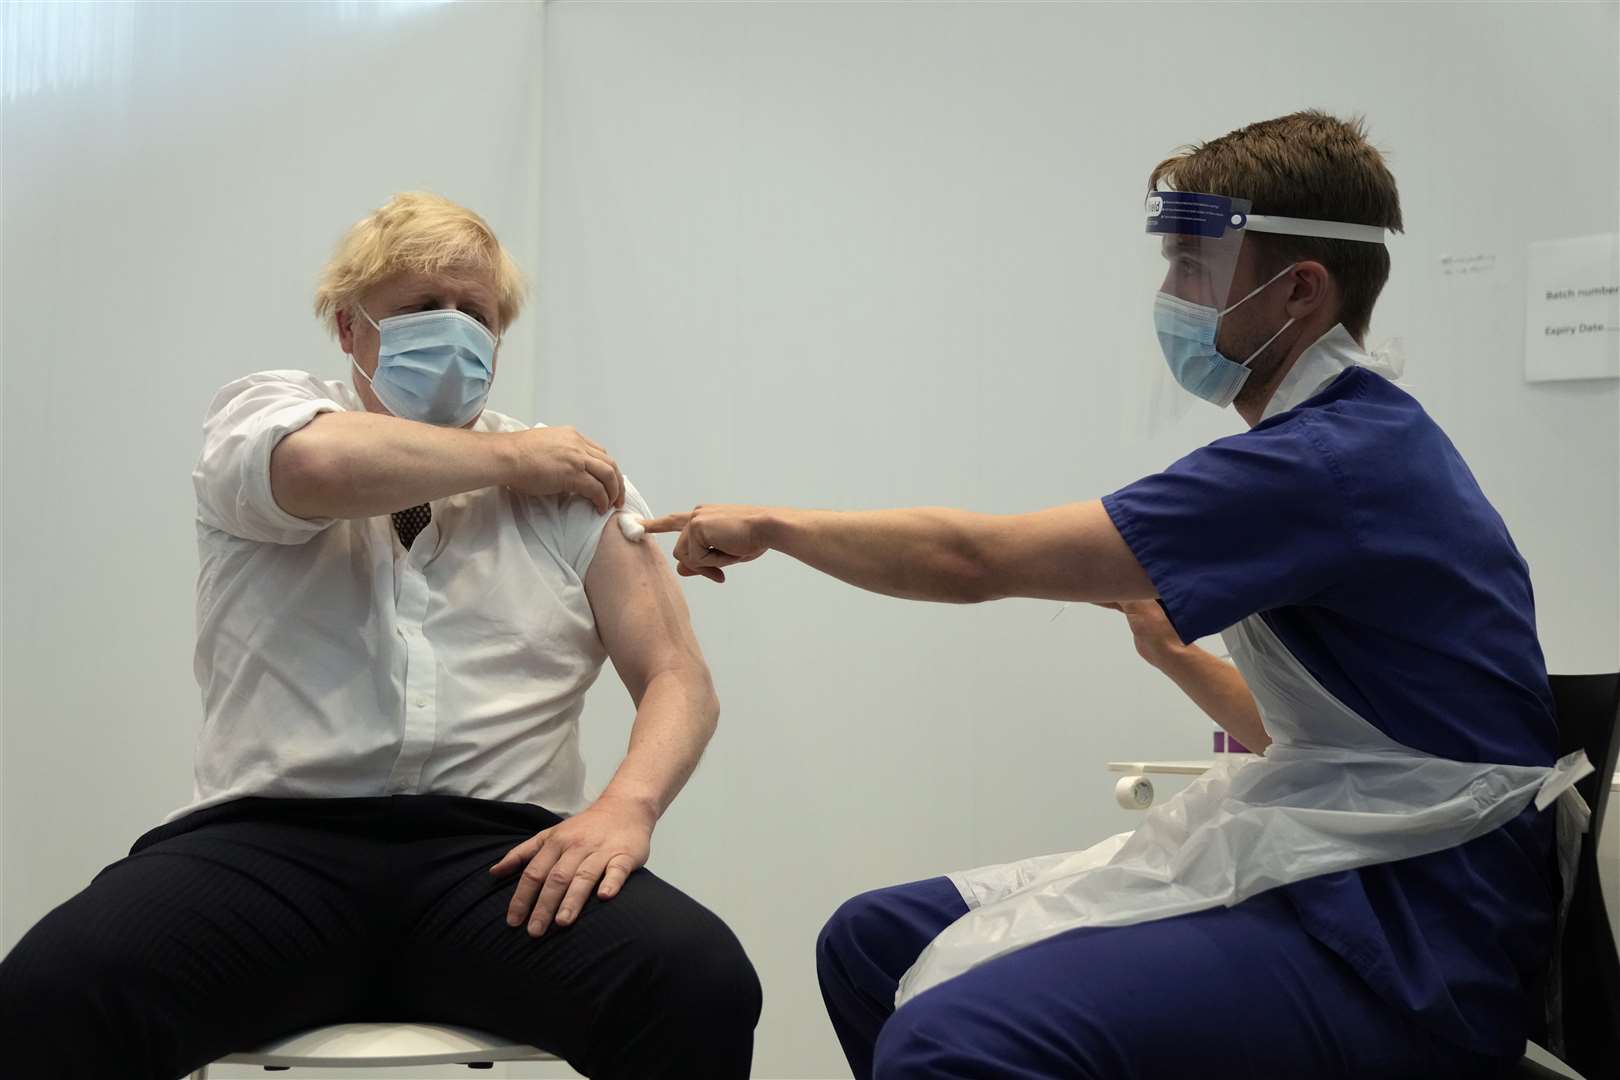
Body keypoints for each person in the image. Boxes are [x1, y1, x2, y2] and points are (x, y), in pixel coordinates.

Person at [643, 113, 1587, 1078]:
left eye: (1195, 269)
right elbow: (1343, 748)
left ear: (1300, 291)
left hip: (1411, 939)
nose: (1171, 298)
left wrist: (776, 527)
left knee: (952, 1037)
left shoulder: (1329, 461)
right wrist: (1174, 653)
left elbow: (975, 560)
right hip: (1344, 865)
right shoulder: (1343, 445)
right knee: (874, 942)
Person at [0, 192, 760, 1079]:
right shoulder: (268, 414)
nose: (454, 329)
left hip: (502, 861)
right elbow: (316, 467)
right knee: (50, 998)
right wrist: (515, 460)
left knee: (696, 981)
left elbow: (677, 676)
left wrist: (626, 809)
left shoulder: (577, 485)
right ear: (348, 327)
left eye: (476, 313)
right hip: (270, 847)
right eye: (421, 307)